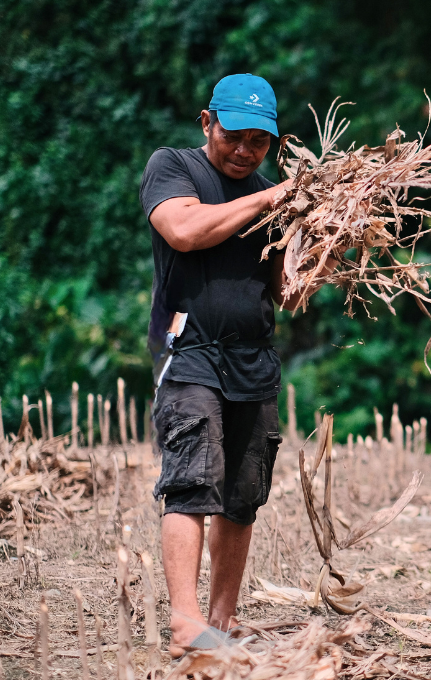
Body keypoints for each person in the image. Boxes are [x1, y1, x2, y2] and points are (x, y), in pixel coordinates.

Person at [139, 74, 324, 656]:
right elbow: (184, 230)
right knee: (191, 483)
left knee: (243, 495)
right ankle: (185, 624)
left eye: (259, 141)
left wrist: (324, 244)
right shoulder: (174, 167)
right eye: (234, 136)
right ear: (207, 122)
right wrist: (271, 199)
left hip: (254, 358)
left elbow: (288, 294)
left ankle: (222, 619)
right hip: (189, 350)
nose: (245, 150)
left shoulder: (275, 199)